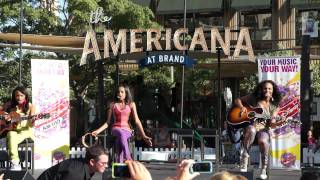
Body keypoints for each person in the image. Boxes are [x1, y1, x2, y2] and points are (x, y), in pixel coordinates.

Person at [234, 80, 282, 180]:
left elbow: (271, 124)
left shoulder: (274, 106)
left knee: (263, 140)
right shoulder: (254, 98)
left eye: (269, 89)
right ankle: (244, 159)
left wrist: (279, 122)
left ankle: (263, 169)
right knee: (252, 130)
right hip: (251, 127)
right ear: (261, 89)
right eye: (265, 88)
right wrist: (242, 107)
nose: (267, 90)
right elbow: (237, 100)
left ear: (273, 91)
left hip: (263, 129)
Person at [92, 84, 152, 163]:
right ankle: (128, 158)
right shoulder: (113, 105)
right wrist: (97, 131)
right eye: (118, 92)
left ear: (126, 93)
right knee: (121, 133)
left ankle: (119, 162)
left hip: (127, 130)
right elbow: (107, 123)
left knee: (120, 140)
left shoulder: (131, 104)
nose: (119, 94)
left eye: (122, 92)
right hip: (116, 129)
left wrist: (144, 135)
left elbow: (137, 121)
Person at [0, 86, 35, 170]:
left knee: (12, 137)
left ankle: (14, 162)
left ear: (25, 96)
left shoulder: (30, 106)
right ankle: (15, 162)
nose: (19, 98)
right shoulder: (10, 104)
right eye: (17, 96)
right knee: (11, 134)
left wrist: (32, 120)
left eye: (21, 95)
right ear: (14, 96)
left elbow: (31, 125)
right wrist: (4, 116)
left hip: (25, 131)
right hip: (13, 130)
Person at [37, 145, 109, 180]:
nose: (106, 166)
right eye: (103, 163)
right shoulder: (76, 173)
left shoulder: (88, 168)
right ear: (92, 162)